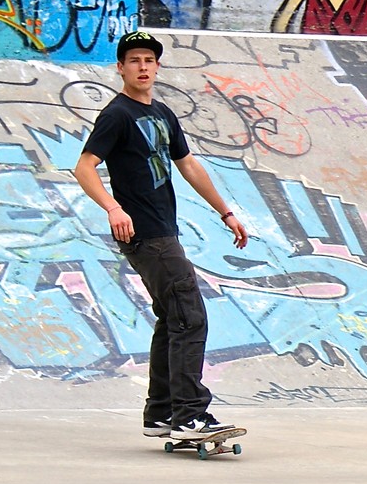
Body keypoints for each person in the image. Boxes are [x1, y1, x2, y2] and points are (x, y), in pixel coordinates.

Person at [73, 30, 250, 441]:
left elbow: (188, 166)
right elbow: (84, 167)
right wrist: (113, 208)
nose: (143, 67)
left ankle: (159, 412)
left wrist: (225, 211)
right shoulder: (116, 115)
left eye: (149, 60)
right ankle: (189, 414)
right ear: (121, 67)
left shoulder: (164, 115)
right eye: (134, 60)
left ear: (157, 67)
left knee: (173, 318)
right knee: (190, 315)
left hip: (162, 229)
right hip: (145, 232)